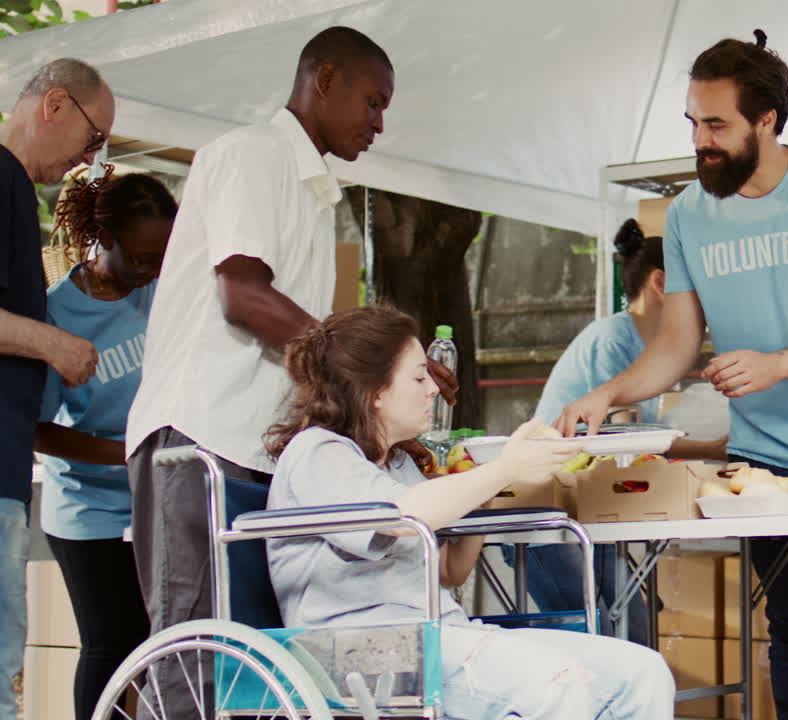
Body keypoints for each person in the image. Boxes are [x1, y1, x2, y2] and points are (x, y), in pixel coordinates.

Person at [556, 31, 788, 719]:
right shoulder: (691, 214)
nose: (701, 139)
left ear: (767, 121)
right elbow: (676, 344)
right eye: (694, 122)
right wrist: (606, 395)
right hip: (768, 460)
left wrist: (778, 364)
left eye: (717, 124)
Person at [123, 27, 457, 715]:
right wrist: (371, 368)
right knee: (199, 663)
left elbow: (304, 348)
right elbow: (242, 293)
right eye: (372, 101)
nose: (379, 122)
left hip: (263, 452)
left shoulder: (315, 192)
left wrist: (388, 394)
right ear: (324, 79)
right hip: (198, 442)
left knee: (260, 674)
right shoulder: (251, 154)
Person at [265, 305, 675, 719]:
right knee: (559, 684)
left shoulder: (398, 464)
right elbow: (401, 516)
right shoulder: (318, 452)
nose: (433, 389)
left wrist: (486, 490)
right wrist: (504, 469)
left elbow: (449, 572)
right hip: (358, 648)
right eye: (419, 376)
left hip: (437, 636)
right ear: (375, 392)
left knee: (643, 673)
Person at [504, 218, 725, 643]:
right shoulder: (615, 340)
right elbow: (626, 437)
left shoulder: (641, 346)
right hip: (546, 512)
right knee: (606, 635)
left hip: (585, 508)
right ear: (661, 283)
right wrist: (715, 452)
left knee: (628, 633)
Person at [34, 168, 174, 720]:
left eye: (161, 259)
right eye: (140, 259)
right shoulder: (55, 314)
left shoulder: (164, 291)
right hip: (90, 508)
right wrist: (126, 454)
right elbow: (38, 428)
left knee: (155, 641)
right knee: (110, 642)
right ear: (105, 239)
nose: (151, 271)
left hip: (158, 498)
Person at [0, 58, 111, 720]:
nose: (89, 159)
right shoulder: (4, 179)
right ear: (57, 105)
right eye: (94, 138)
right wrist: (56, 344)